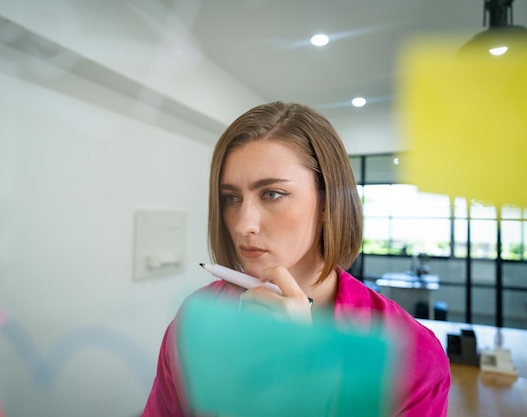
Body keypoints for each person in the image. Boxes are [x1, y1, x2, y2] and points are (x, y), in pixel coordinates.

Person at [141, 102, 450, 417]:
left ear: (329, 201)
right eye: (231, 198)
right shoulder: (197, 319)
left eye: (272, 194)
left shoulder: (410, 354)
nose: (242, 225)